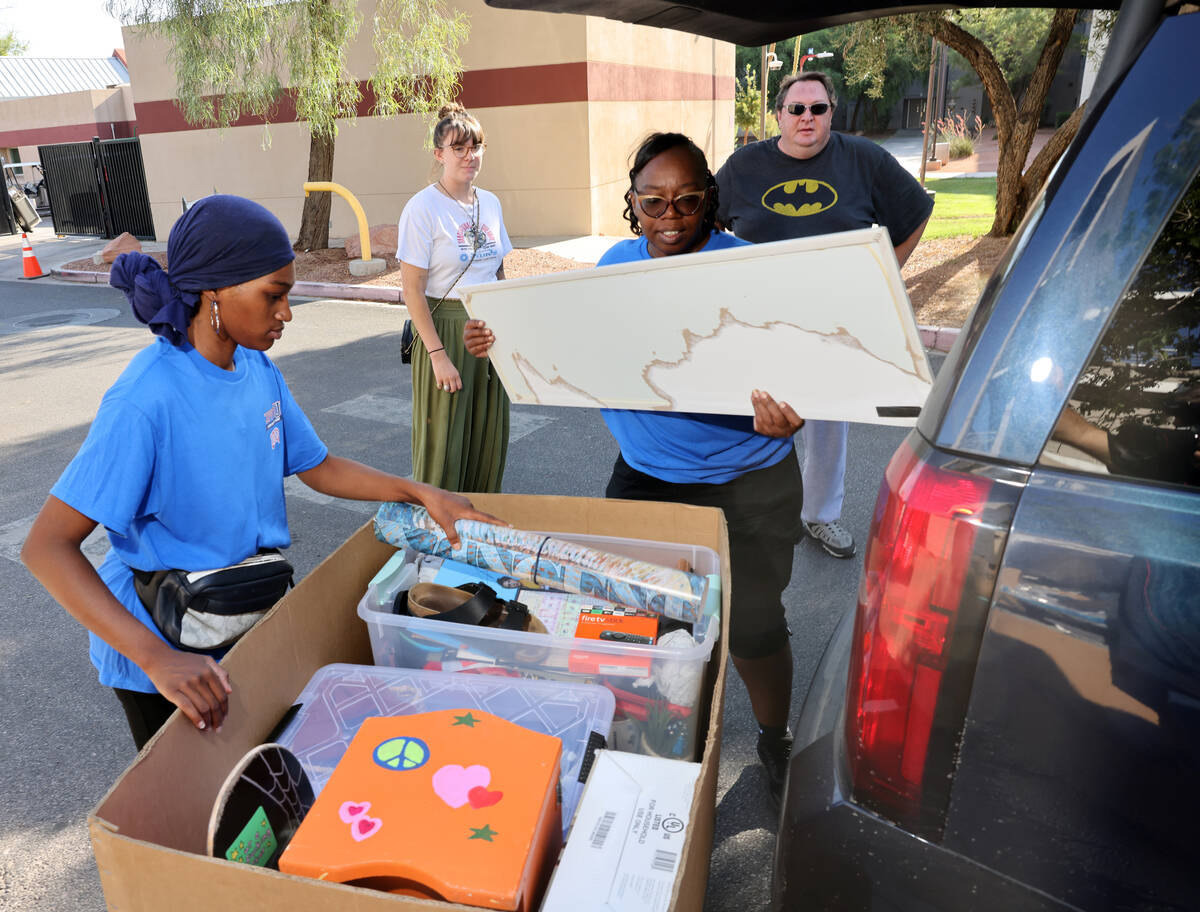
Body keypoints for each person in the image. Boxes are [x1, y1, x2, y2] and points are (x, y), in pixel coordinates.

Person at [20, 195, 502, 750]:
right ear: (215, 291)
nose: (287, 312)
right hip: (166, 647)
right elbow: (47, 547)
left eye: (288, 294)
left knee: (263, 784)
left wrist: (421, 492)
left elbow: (317, 466)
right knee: (199, 811)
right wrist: (159, 660)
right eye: (274, 295)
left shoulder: (256, 367)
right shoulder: (146, 399)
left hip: (241, 618)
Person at [466, 133, 806, 806]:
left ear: (709, 197)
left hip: (751, 480)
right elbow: (568, 344)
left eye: (686, 200)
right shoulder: (618, 264)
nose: (671, 216)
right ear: (633, 204)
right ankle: (660, 744)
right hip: (646, 477)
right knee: (637, 626)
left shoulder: (748, 269)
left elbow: (803, 371)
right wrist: (495, 339)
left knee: (754, 627)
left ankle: (772, 736)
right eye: (654, 202)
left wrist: (794, 412)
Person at [715, 71, 933, 559]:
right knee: (752, 417)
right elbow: (708, 225)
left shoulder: (864, 159)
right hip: (758, 322)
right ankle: (744, 512)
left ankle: (820, 517)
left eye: (818, 108)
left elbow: (917, 210)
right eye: (797, 109)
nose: (807, 117)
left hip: (834, 324)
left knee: (828, 427)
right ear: (779, 115)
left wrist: (887, 271)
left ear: (831, 112)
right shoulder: (744, 166)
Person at [396, 102, 512, 492]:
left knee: (487, 443)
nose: (469, 156)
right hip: (443, 329)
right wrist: (438, 356)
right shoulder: (422, 207)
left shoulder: (490, 203)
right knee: (443, 448)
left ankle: (478, 535)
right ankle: (434, 541)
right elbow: (412, 290)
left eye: (475, 147)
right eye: (459, 148)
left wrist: (508, 330)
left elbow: (497, 270)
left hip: (489, 332)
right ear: (439, 153)